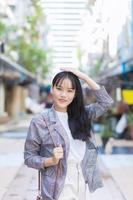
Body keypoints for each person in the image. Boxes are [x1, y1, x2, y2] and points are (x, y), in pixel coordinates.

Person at [24, 68, 114, 200]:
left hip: (81, 179)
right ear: (52, 89)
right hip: (57, 183)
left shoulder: (84, 115)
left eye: (70, 90)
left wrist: (83, 77)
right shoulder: (40, 121)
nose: (63, 95)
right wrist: (51, 160)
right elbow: (29, 157)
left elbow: (106, 102)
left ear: (75, 93)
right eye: (59, 88)